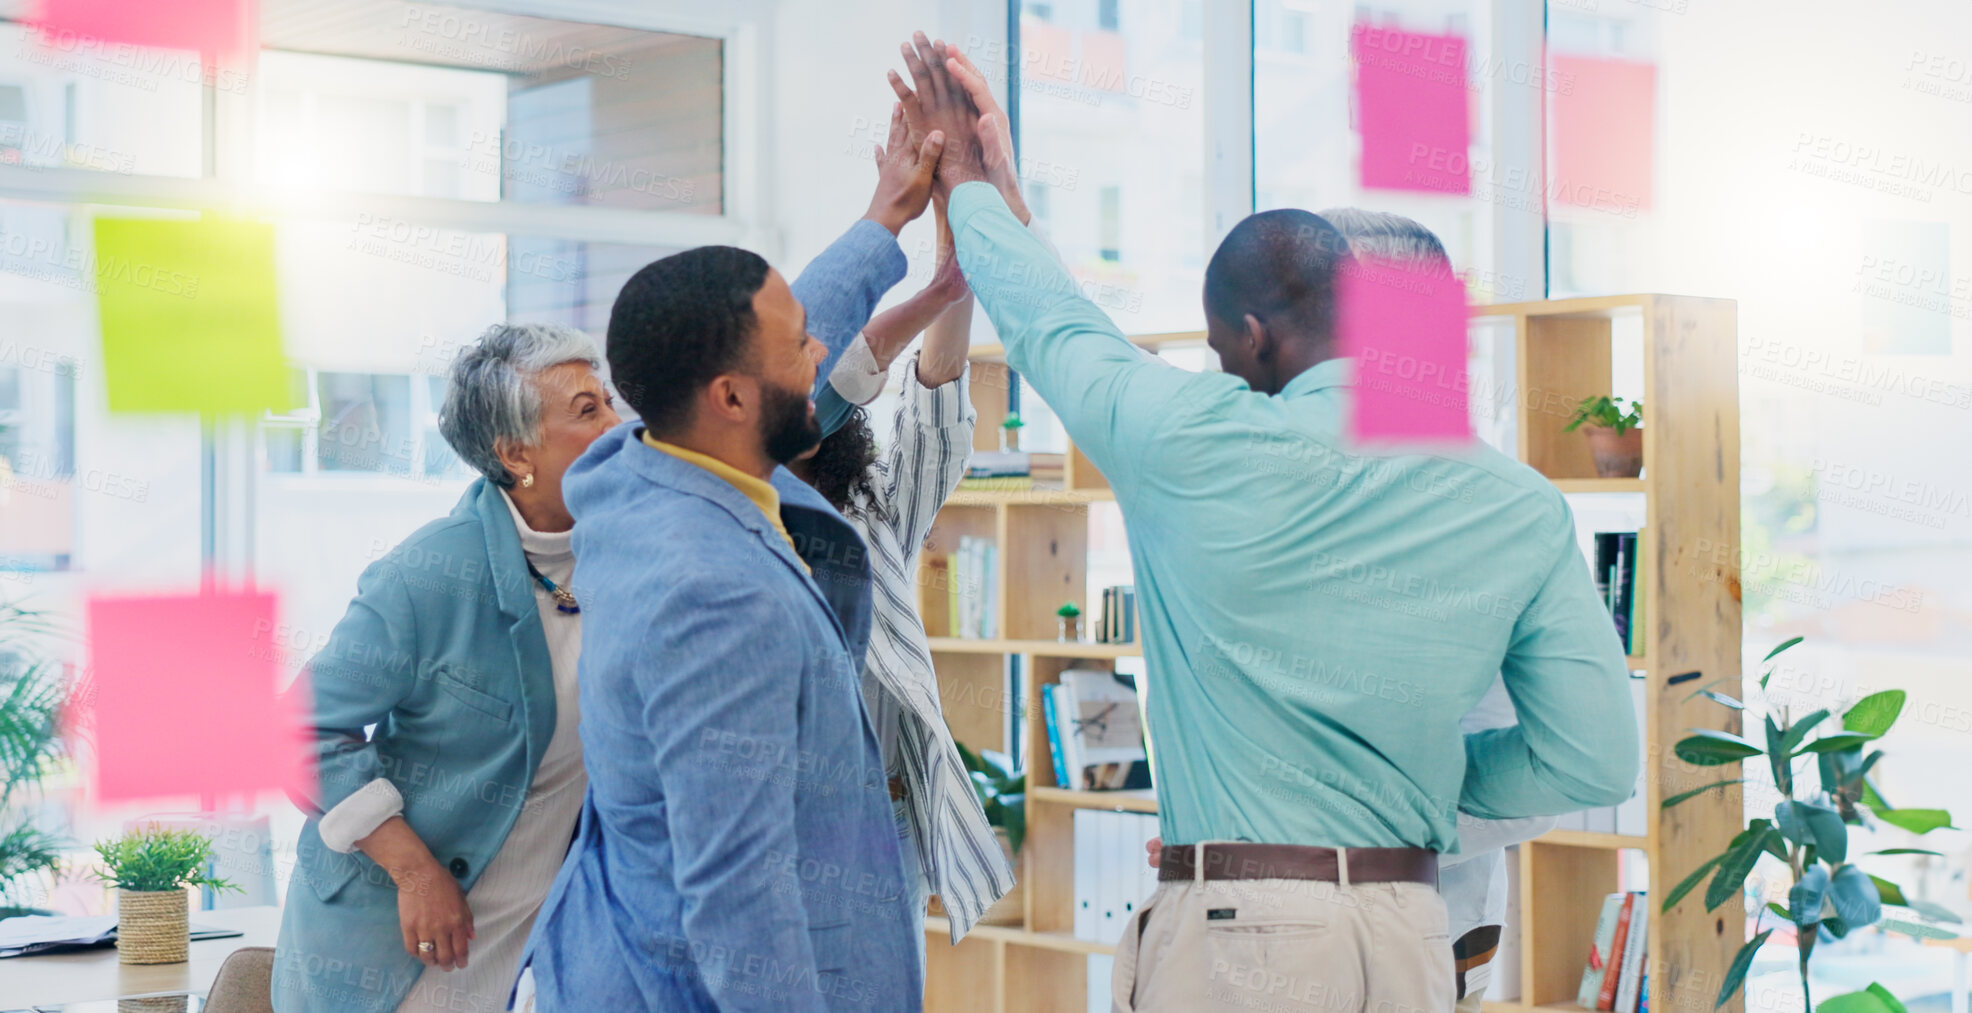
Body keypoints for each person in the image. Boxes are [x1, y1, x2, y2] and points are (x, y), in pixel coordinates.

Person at [897, 35, 1639, 1012]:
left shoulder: (1195, 439)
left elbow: (1055, 325)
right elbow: (1591, 756)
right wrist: (1405, 779)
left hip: (1244, 936)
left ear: (1252, 335)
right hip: (1410, 931)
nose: (1217, 369)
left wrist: (972, 185)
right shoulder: (1515, 499)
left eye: (1218, 349)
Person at [514, 107, 943, 1012]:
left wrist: (886, 220)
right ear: (733, 396)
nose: (821, 353)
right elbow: (737, 896)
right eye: (801, 349)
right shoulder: (711, 593)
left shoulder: (637, 463)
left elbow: (787, 322)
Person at [1135, 208, 1568, 1011]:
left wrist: (1302, 840)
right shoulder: (1272, 477)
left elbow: (1544, 778)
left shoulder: (1479, 512)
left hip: (1415, 927)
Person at [273, 322, 620, 1013]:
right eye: (589, 410)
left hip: (535, 942)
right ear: (516, 453)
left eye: (609, 399)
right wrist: (414, 871)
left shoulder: (626, 548)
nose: (619, 424)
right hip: (401, 946)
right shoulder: (428, 575)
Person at [786, 195, 1016, 950]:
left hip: (883, 828)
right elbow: (834, 385)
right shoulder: (723, 510)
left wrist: (959, 269)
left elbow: (937, 403)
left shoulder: (869, 512)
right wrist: (935, 287)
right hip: (777, 832)